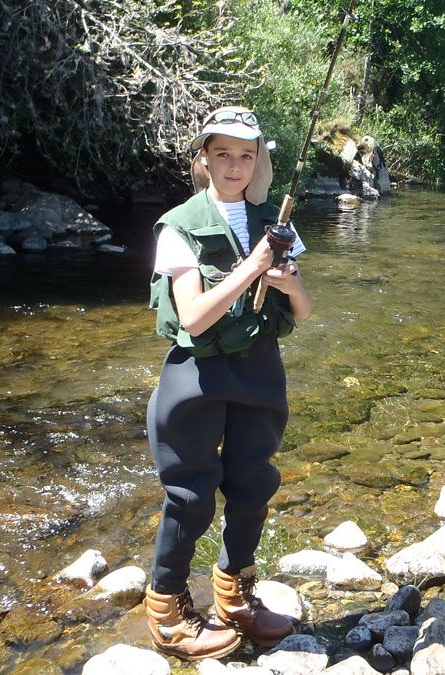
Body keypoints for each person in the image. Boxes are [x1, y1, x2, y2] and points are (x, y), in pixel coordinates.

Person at [142, 105, 313, 660]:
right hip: (198, 376)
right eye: (223, 154)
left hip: (260, 372)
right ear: (205, 159)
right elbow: (191, 318)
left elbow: (305, 312)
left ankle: (234, 595)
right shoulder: (178, 228)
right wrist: (253, 266)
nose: (234, 166)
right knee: (190, 495)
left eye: (246, 155)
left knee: (252, 485)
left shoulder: (277, 224)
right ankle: (167, 609)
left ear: (258, 161)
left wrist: (286, 280)